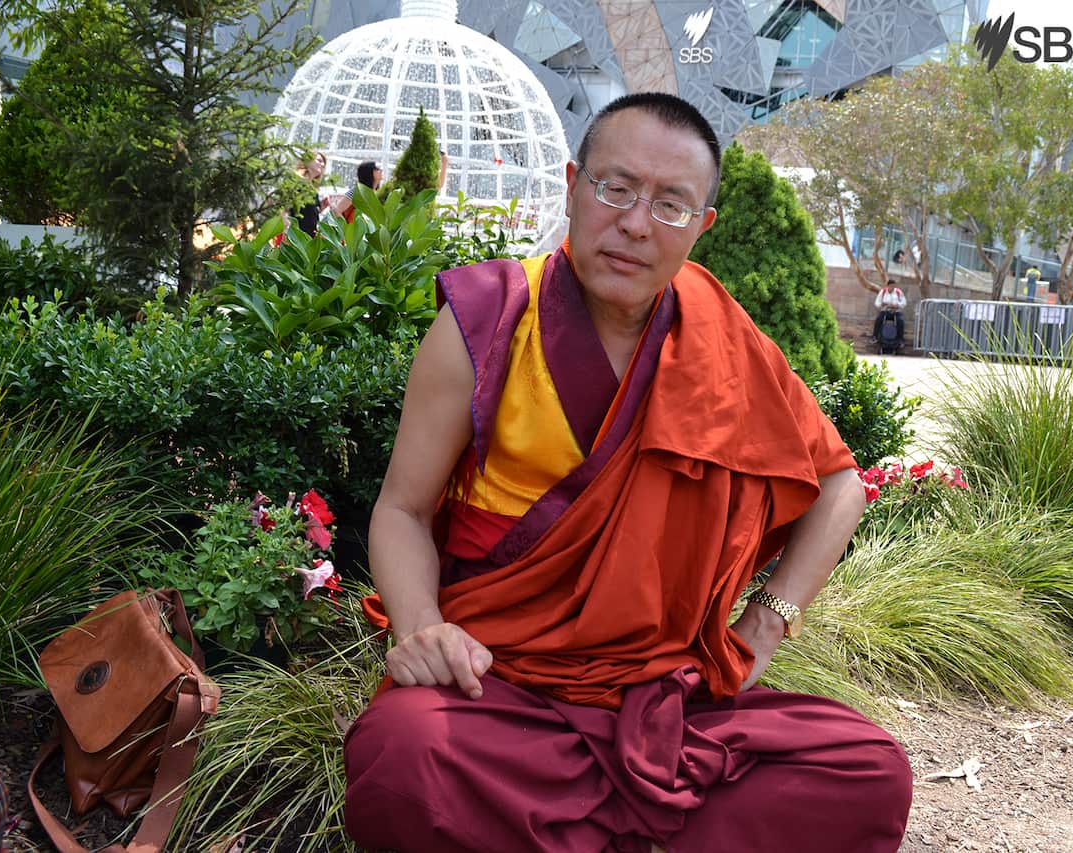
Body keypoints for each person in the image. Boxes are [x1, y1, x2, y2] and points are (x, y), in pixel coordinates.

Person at [343, 92, 913, 853]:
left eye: (671, 204)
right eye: (616, 189)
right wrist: (422, 629)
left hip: (668, 698)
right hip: (501, 688)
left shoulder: (721, 338)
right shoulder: (488, 321)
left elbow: (840, 485)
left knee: (867, 770)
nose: (637, 223)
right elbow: (402, 510)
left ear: (702, 226)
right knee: (403, 755)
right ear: (573, 185)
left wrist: (765, 626)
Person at [291, 151, 327, 236]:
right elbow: (285, 205)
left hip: (307, 236)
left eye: (324, 164)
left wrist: (320, 208)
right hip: (294, 235)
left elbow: (306, 212)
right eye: (319, 160)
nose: (322, 165)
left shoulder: (313, 189)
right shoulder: (296, 182)